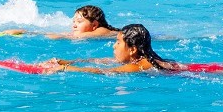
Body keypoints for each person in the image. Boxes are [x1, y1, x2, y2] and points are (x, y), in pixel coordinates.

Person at [39, 23, 190, 74]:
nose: (113, 45)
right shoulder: (138, 59)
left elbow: (106, 72)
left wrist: (65, 69)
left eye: (118, 43)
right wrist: (63, 61)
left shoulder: (140, 66)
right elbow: (99, 61)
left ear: (132, 50)